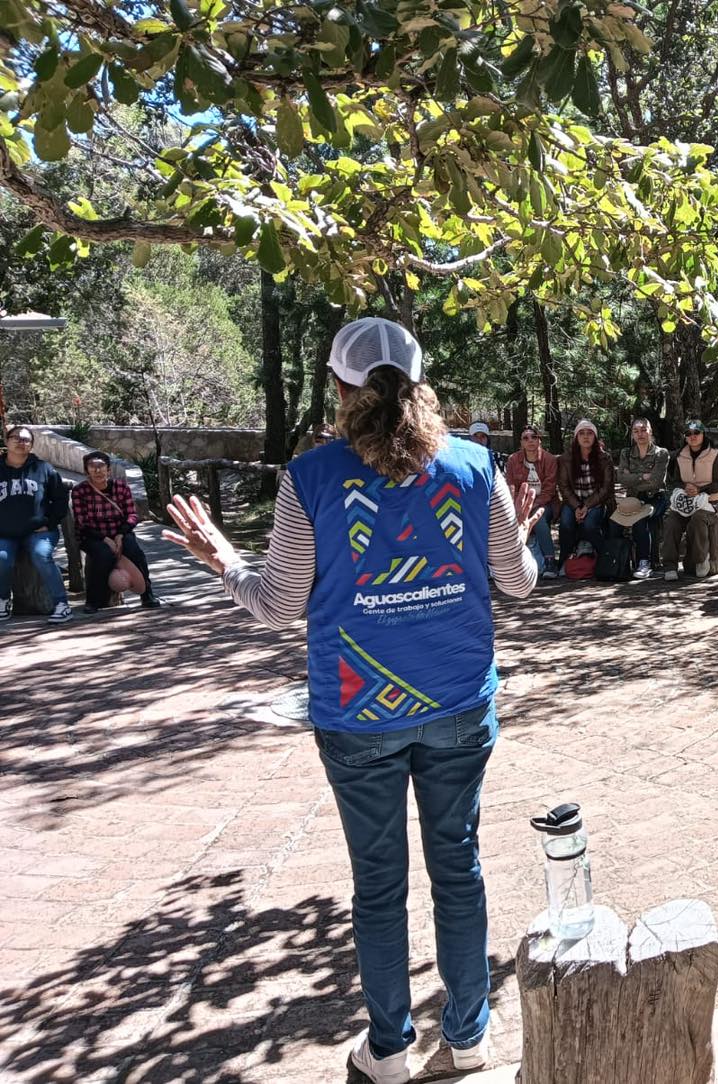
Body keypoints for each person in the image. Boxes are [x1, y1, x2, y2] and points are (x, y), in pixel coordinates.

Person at [161, 317, 540, 1082]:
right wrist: (521, 536)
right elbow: (520, 581)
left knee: (378, 883)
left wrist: (225, 559)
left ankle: (390, 1051)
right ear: (422, 380)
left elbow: (275, 604)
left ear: (339, 389)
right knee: (458, 867)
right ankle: (469, 1036)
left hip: (357, 713)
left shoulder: (311, 479)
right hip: (459, 706)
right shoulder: (474, 468)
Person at [70, 451, 162, 614]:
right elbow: (82, 522)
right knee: (103, 555)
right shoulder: (80, 491)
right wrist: (106, 539)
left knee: (135, 551)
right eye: (92, 467)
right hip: (92, 535)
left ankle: (147, 594)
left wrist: (120, 534)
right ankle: (93, 600)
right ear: (86, 471)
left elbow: (132, 515)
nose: (97, 471)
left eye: (101, 466)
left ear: (108, 470)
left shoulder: (121, 487)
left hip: (119, 532)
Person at [0, 424, 71, 623]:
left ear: (31, 445)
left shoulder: (43, 468)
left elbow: (60, 498)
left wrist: (50, 522)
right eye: (16, 438)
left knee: (41, 555)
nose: (21, 443)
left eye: (26, 440)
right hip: (4, 533)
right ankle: (3, 600)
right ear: (7, 441)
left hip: (39, 532)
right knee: (1, 559)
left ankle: (62, 604)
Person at [660, 420, 718, 581]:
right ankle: (670, 566)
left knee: (698, 518)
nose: (693, 436)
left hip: (711, 503)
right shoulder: (679, 455)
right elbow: (673, 481)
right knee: (671, 520)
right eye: (689, 434)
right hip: (685, 501)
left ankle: (700, 560)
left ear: (703, 434)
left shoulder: (716, 455)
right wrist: (684, 486)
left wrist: (700, 490)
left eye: (697, 433)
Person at [612, 417, 670, 578]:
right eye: (636, 431)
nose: (640, 434)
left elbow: (656, 481)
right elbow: (621, 478)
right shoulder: (626, 453)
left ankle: (644, 563)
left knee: (639, 519)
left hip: (656, 499)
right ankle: (615, 561)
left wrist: (632, 477)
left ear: (650, 432)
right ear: (632, 434)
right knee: (613, 523)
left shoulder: (661, 453)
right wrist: (643, 476)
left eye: (644, 430)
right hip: (633, 500)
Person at [557, 418, 615, 568]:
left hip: (596, 501)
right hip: (573, 501)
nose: (585, 436)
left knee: (589, 525)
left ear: (595, 437)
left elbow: (606, 488)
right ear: (576, 437)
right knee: (566, 524)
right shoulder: (566, 458)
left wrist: (587, 506)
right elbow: (563, 486)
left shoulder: (604, 458)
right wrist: (577, 506)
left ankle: (605, 558)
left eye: (589, 433)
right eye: (581, 433)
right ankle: (564, 560)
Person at [504, 424, 560, 579]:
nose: (530, 441)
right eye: (525, 438)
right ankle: (508, 566)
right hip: (519, 504)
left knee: (539, 518)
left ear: (539, 441)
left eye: (533, 437)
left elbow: (549, 490)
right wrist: (518, 507)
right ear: (521, 442)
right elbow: (510, 487)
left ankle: (550, 562)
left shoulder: (549, 459)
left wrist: (532, 505)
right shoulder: (513, 460)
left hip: (545, 503)